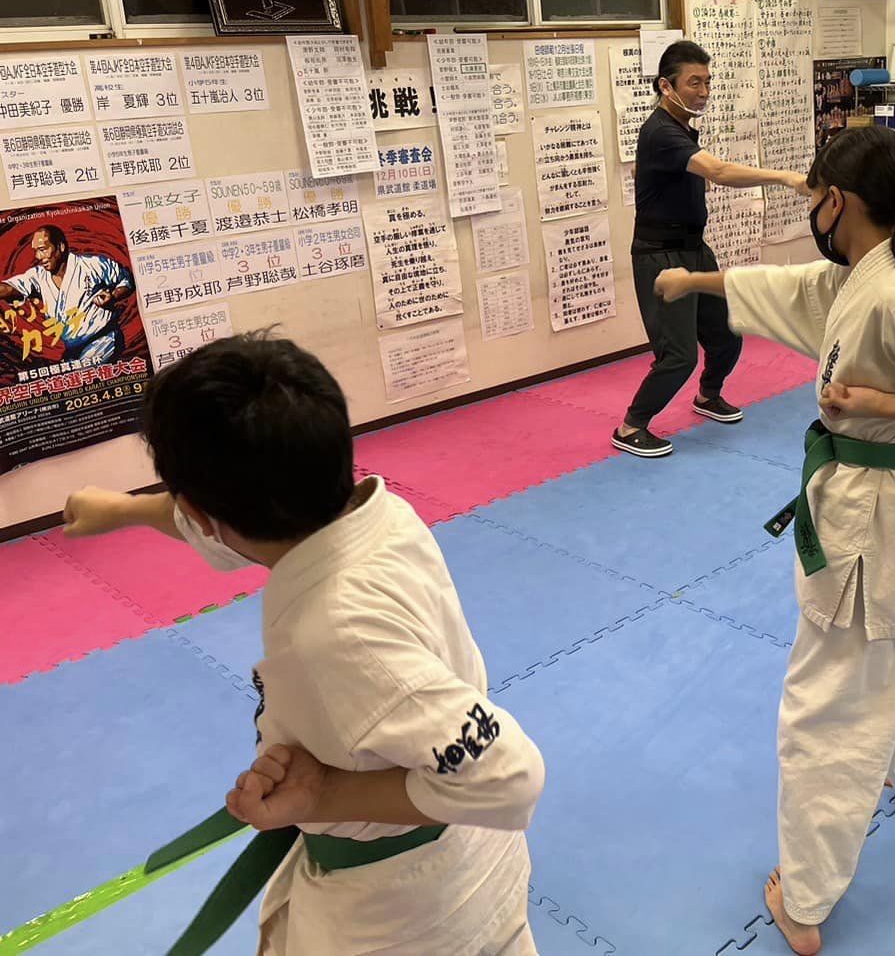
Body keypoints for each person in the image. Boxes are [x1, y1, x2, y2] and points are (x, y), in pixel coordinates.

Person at [651, 126, 895, 954]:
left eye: (812, 195)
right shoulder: (861, 275)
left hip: (875, 519)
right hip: (883, 510)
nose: (808, 209)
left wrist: (885, 404)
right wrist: (694, 280)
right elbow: (785, 287)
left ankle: (807, 896)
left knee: (825, 706)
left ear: (839, 202)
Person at [60, 335, 545, 954]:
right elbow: (226, 526)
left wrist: (324, 793)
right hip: (472, 863)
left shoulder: (337, 633)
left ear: (200, 511)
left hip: (406, 916)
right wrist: (120, 510)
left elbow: (507, 777)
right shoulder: (373, 513)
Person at [614, 39, 809, 458]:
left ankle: (707, 395)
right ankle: (631, 427)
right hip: (659, 255)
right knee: (679, 355)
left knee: (727, 333)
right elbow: (718, 172)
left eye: (707, 81)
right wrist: (785, 177)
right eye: (693, 83)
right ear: (666, 86)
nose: (703, 91)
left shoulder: (681, 126)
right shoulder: (661, 131)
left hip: (694, 250)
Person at [0, 225, 132, 364]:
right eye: (36, 251)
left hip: (104, 340)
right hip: (73, 350)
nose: (38, 256)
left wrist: (114, 295)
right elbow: (10, 288)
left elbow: (126, 279)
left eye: (43, 250)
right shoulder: (38, 276)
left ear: (60, 247)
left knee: (84, 374)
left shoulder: (92, 265)